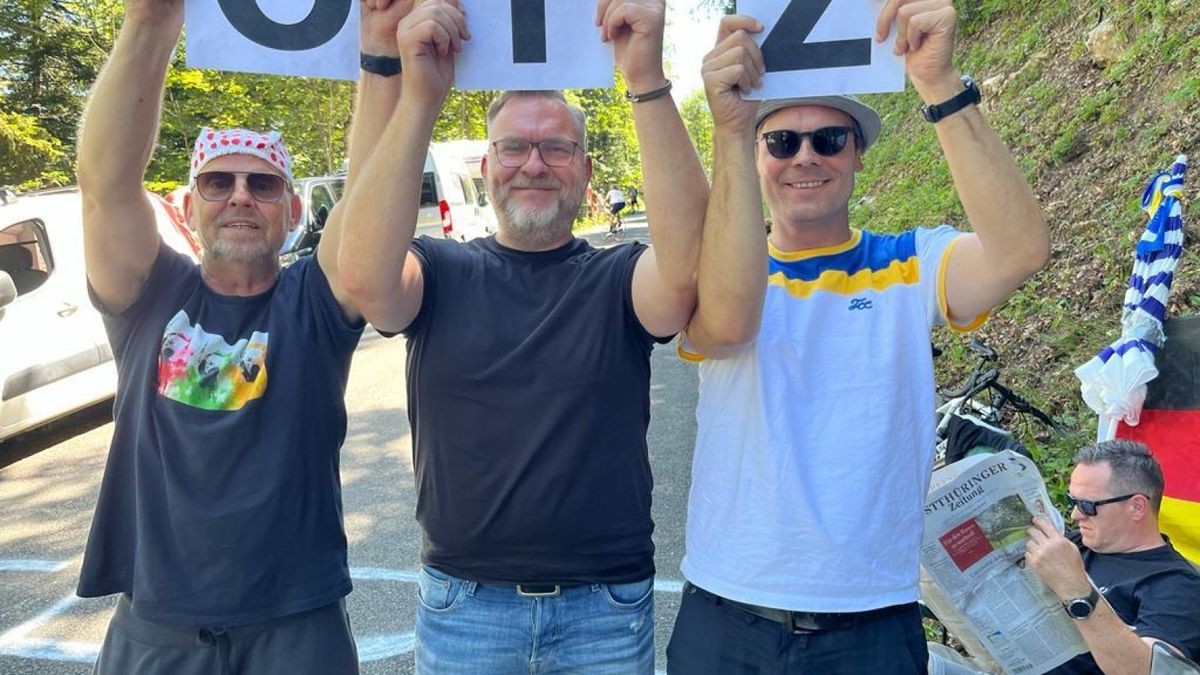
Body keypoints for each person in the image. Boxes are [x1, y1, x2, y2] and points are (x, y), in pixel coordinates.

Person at [667, 0, 1050, 672]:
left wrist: (938, 83)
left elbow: (1019, 251)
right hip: (727, 610)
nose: (805, 157)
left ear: (859, 156)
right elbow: (713, 321)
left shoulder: (910, 262)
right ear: (756, 159)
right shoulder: (723, 281)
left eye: (829, 139)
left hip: (871, 619)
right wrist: (726, 128)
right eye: (781, 141)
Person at [333, 0, 707, 672]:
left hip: (606, 612)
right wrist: (419, 97)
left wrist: (646, 80)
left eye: (557, 147)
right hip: (465, 609)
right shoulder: (440, 269)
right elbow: (360, 277)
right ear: (486, 165)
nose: (533, 163)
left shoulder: (618, 278)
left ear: (587, 175)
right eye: (513, 146)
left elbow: (686, 270)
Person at [72, 1, 410, 672]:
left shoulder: (315, 299)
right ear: (187, 205)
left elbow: (369, 189)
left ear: (292, 210)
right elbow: (104, 186)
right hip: (157, 627)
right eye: (216, 181)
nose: (239, 196)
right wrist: (150, 24)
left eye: (262, 184)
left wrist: (377, 53)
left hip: (296, 629)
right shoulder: (149, 295)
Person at [1024, 440, 1200, 674]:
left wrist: (1077, 593)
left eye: (1087, 505)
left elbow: (1151, 671)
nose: (1076, 515)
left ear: (1137, 507)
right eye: (1072, 501)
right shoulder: (1075, 543)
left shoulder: (1177, 585)